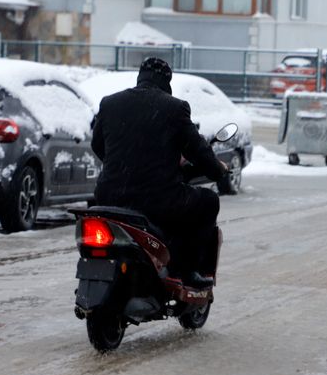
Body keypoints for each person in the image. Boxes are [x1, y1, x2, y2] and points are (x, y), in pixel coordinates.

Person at [91, 58, 228, 288]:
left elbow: (98, 146)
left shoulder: (110, 103)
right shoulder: (175, 108)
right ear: (167, 82)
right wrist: (218, 170)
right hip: (156, 200)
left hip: (110, 197)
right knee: (208, 201)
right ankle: (187, 270)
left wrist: (124, 165)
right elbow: (198, 152)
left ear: (140, 77)